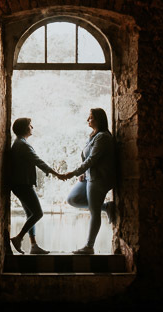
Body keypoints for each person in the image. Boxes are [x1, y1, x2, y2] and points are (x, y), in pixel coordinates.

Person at [62, 107, 117, 255]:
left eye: (91, 117)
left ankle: (89, 246)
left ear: (99, 119)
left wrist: (74, 172)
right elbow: (86, 157)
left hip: (99, 178)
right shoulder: (92, 136)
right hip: (89, 176)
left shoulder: (103, 137)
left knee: (94, 212)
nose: (88, 120)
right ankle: (106, 207)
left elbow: (92, 159)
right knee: (72, 199)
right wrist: (83, 173)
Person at [8, 117, 59, 255]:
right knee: (38, 213)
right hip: (23, 184)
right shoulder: (23, 144)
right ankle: (18, 238)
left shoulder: (19, 142)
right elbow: (38, 161)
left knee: (30, 214)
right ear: (25, 128)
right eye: (30, 125)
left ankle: (34, 246)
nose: (32, 127)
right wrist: (56, 173)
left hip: (19, 184)